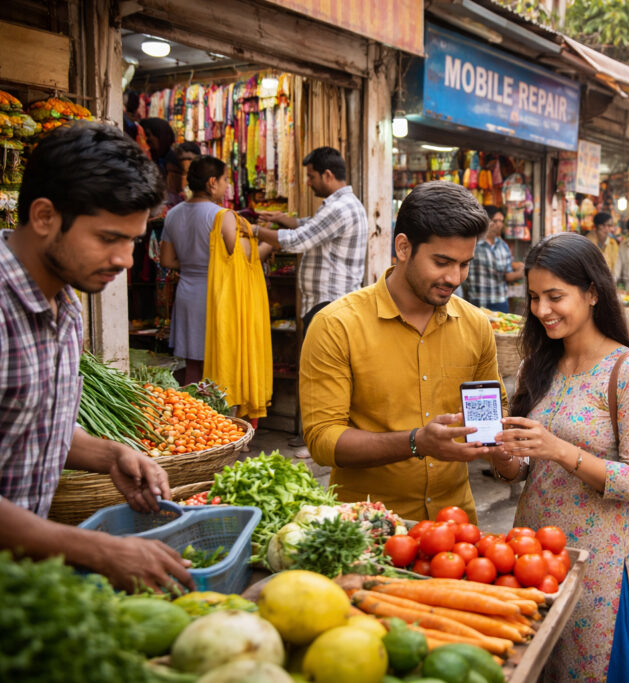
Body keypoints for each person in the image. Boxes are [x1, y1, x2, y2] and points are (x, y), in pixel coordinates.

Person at [0, 122, 194, 592]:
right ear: (44, 216)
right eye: (109, 238)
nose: (127, 260)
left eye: (132, 239)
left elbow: (30, 425)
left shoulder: (64, 304)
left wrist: (111, 454)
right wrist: (96, 549)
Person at [491, 232, 629, 681]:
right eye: (533, 297)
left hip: (598, 560)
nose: (541, 310)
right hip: (528, 551)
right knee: (529, 667)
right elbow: (521, 466)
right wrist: (504, 455)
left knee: (587, 670)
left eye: (554, 296)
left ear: (591, 293)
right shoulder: (536, 365)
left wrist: (562, 451)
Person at [299, 181, 503, 523]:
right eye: (442, 262)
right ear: (404, 247)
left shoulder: (476, 325)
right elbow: (323, 441)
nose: (454, 277)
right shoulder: (336, 325)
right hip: (363, 528)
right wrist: (416, 442)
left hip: (455, 530)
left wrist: (505, 449)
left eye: (464, 264)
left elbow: (491, 417)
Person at [161, 156, 273, 385]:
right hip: (216, 296)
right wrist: (271, 241)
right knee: (221, 364)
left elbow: (167, 260)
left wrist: (194, 264)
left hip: (187, 295)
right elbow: (246, 259)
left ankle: (192, 416)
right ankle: (219, 418)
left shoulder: (172, 214)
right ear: (212, 182)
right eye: (224, 179)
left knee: (193, 366)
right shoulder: (222, 216)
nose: (227, 185)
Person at [257, 147, 369, 331]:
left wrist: (254, 231)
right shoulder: (345, 204)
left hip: (330, 305)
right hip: (332, 304)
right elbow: (311, 225)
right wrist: (282, 219)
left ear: (327, 175)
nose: (308, 183)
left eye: (311, 177)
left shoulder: (338, 208)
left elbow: (295, 241)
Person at [462, 205, 524, 312]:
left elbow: (507, 274)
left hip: (499, 301)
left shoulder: (503, 246)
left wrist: (521, 271)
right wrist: (521, 272)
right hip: (477, 301)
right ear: (486, 221)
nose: (499, 224)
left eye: (501, 221)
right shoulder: (473, 244)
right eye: (495, 220)